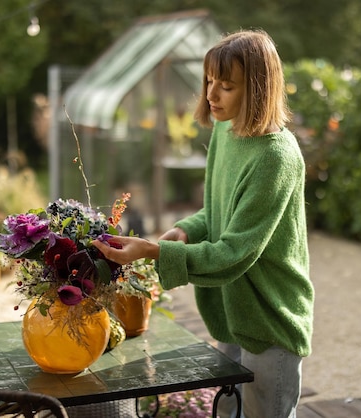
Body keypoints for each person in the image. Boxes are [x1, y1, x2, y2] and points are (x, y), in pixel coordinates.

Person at [93, 29, 313, 418]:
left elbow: (234, 253)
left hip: (270, 318)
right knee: (226, 411)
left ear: (259, 89)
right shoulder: (227, 131)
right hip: (230, 311)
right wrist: (186, 231)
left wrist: (158, 251)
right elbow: (217, 213)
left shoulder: (277, 157)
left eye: (226, 86)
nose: (211, 95)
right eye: (209, 81)